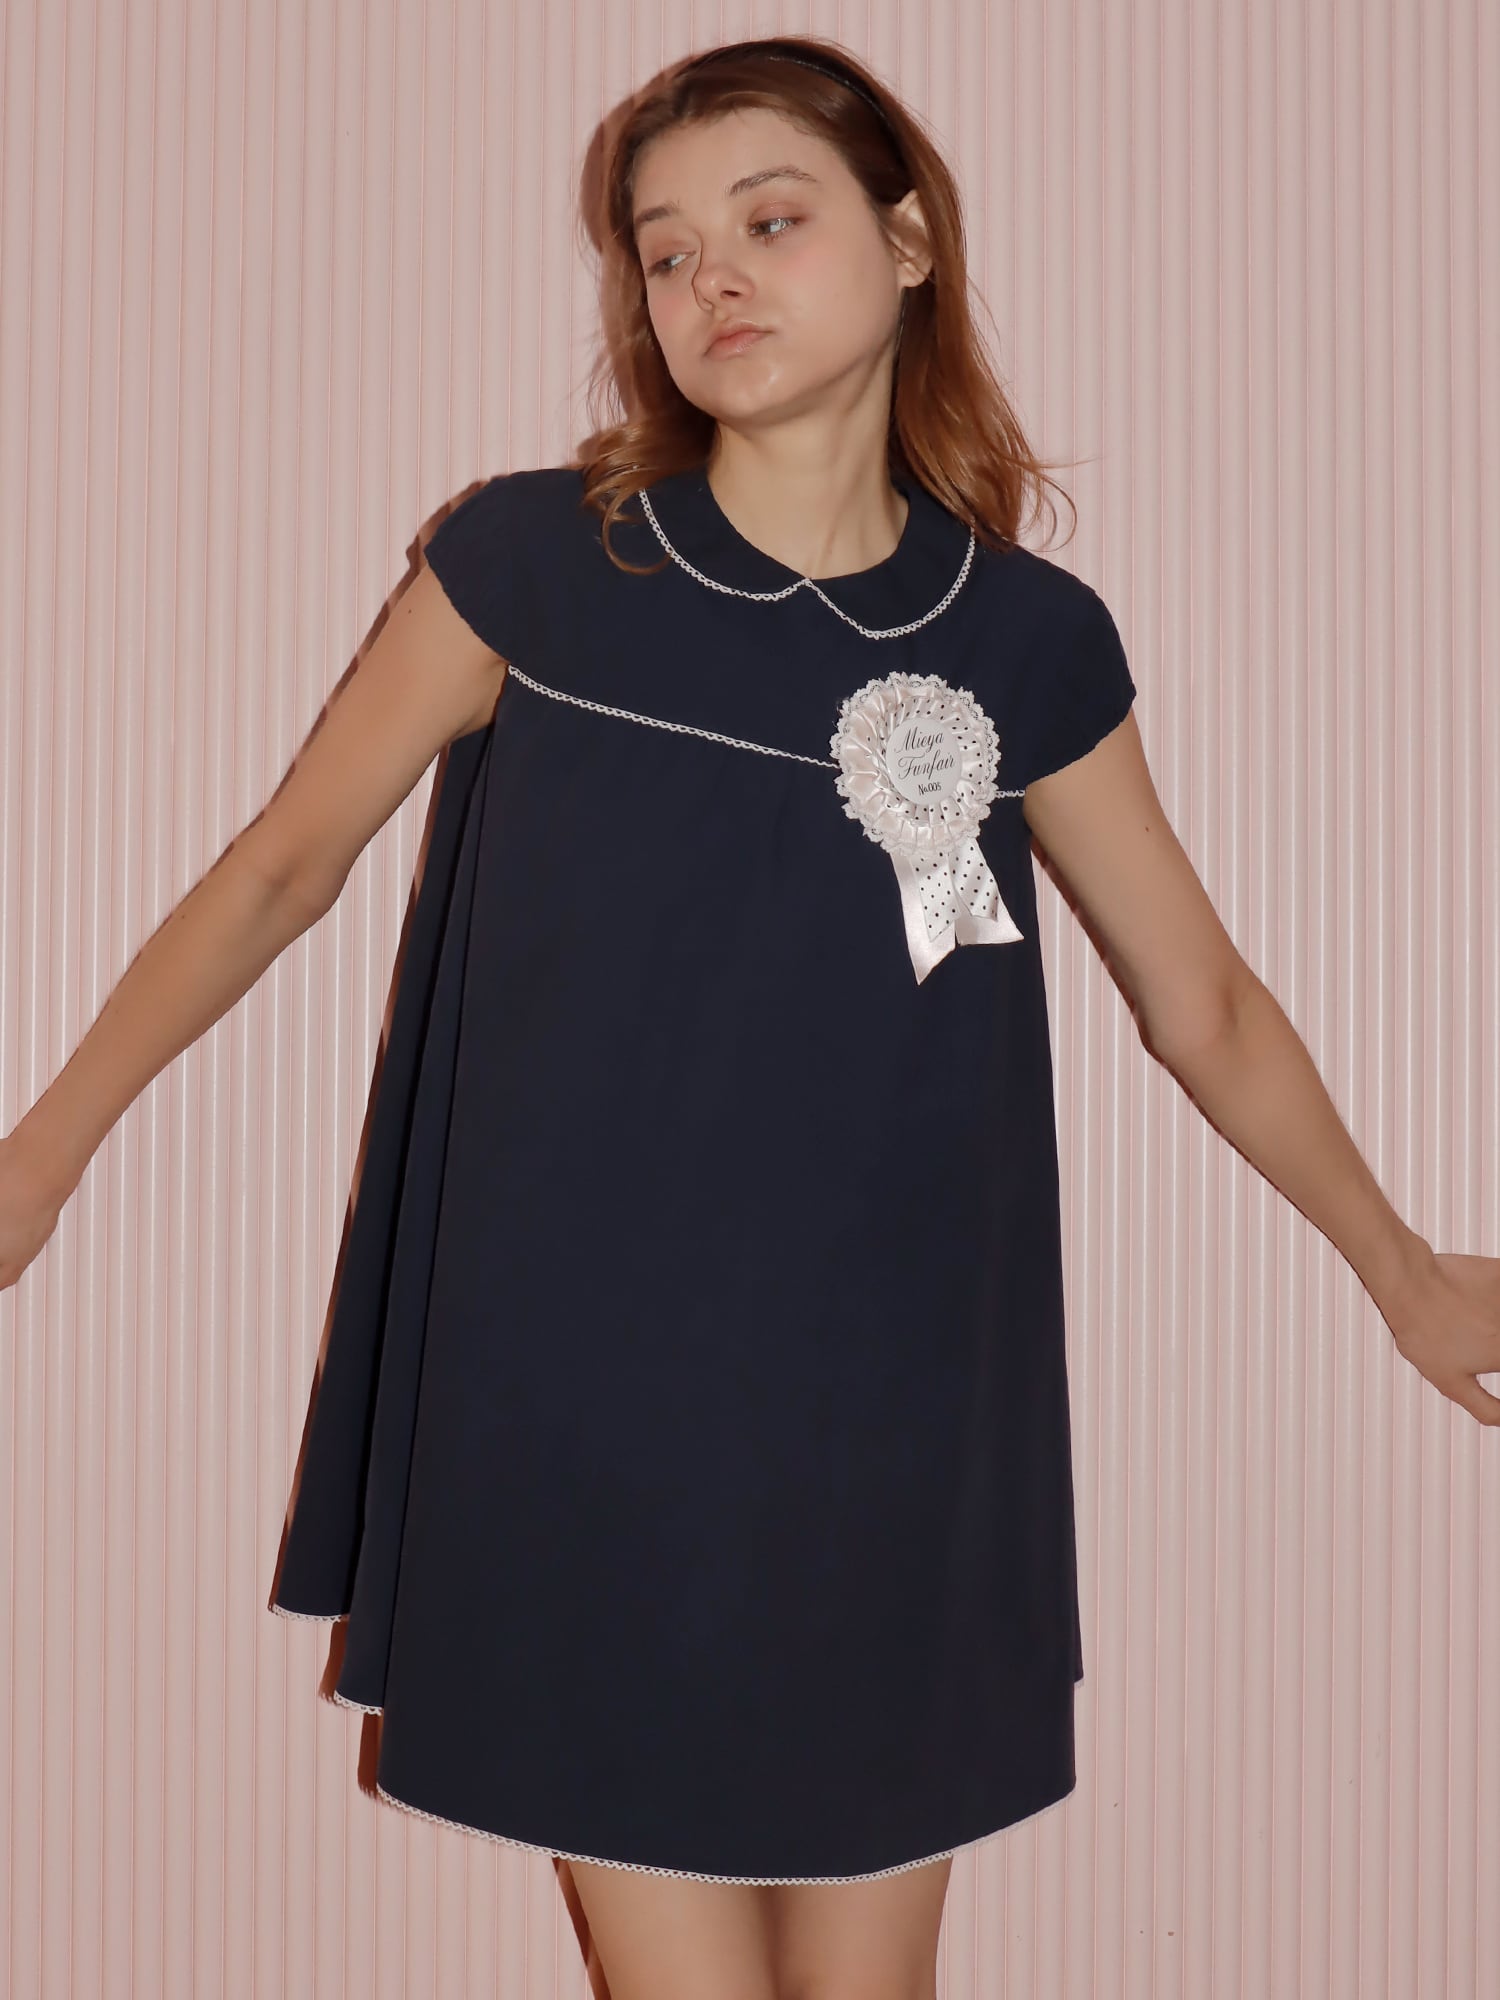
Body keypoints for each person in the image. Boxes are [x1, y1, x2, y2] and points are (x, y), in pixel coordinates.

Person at [3, 31, 1497, 2000]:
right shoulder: (535, 563)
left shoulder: (1029, 641)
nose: (709, 278)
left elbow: (1200, 997)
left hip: (904, 1412)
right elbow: (284, 868)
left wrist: (1403, 1270)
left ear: (907, 241)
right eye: (664, 249)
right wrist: (41, 1155)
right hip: (585, 1396)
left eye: (769, 223)